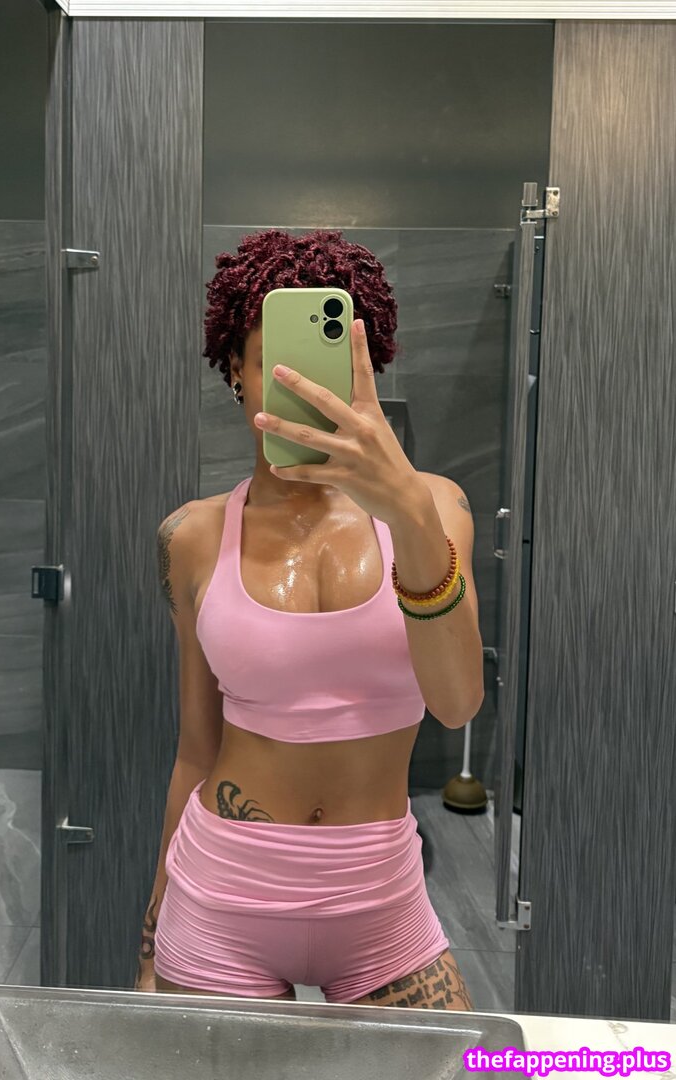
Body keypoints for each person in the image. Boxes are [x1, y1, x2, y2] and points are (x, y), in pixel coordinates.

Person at [134, 229, 484, 1009]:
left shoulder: (435, 507)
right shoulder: (193, 537)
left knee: (462, 1064)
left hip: (381, 900)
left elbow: (458, 702)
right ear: (234, 369)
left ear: (367, 366)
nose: (305, 391)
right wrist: (152, 935)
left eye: (328, 368)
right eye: (276, 365)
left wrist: (406, 511)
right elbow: (195, 750)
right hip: (220, 896)